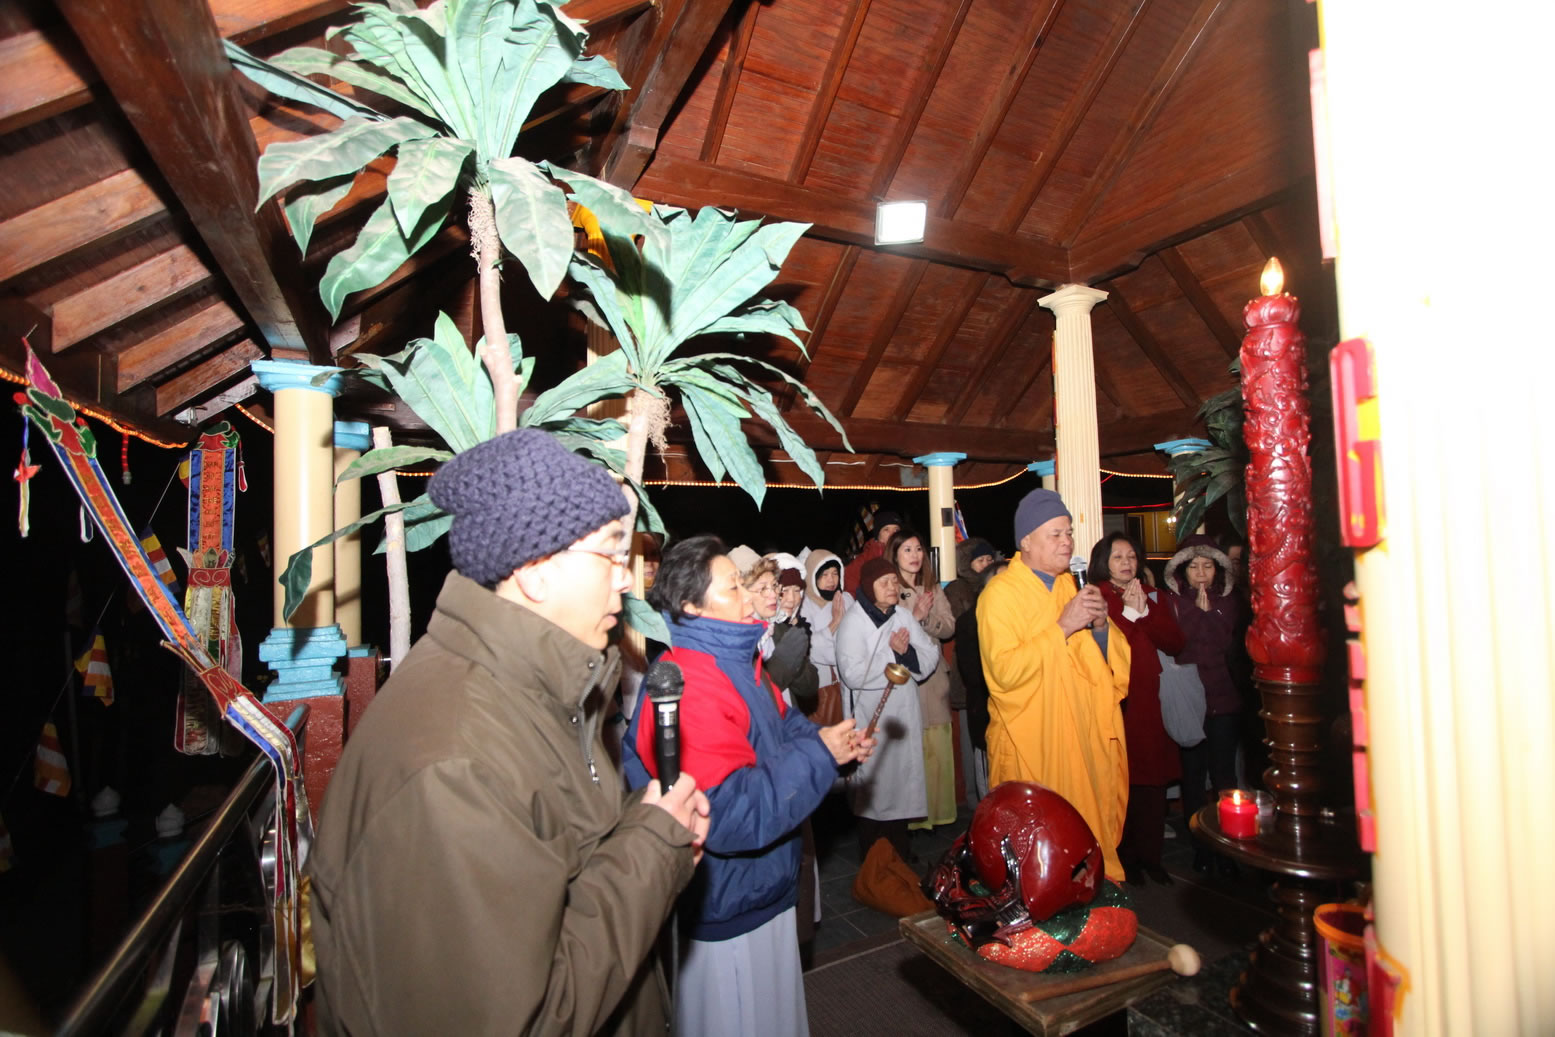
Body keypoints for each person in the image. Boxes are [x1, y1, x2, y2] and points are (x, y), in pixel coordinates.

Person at [307, 429, 711, 1036]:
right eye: (609, 555)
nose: (626, 580)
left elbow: (562, 859)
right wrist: (653, 852)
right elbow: (524, 1018)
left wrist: (649, 824)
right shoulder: (454, 765)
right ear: (535, 573)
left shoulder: (533, 687)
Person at [623, 536, 870, 1037]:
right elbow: (730, 814)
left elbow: (782, 723)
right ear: (692, 606)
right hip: (725, 904)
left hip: (760, 887)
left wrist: (825, 741)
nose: (750, 595)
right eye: (732, 586)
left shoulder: (738, 661)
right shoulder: (689, 682)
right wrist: (819, 757)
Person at [977, 488, 1131, 882]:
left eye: (1069, 533)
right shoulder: (999, 595)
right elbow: (1004, 672)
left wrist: (1100, 628)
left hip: (1081, 736)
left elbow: (1102, 665)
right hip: (1033, 741)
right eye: (1056, 534)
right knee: (1038, 856)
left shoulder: (1071, 587)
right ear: (1026, 541)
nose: (1067, 542)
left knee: (1084, 841)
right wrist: (1062, 626)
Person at [1089, 532, 1185, 886]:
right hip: (1118, 700)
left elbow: (1175, 642)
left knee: (1153, 781)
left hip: (1151, 700)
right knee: (1122, 779)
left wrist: (1145, 612)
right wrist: (1131, 614)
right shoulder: (1097, 596)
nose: (1126, 563)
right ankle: (1124, 857)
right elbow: (1104, 649)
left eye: (1131, 556)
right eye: (1118, 557)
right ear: (1104, 562)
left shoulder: (1149, 594)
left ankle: (1152, 856)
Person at [835, 556, 940, 860]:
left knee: (902, 787)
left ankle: (899, 854)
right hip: (871, 717)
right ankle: (874, 860)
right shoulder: (853, 622)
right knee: (875, 789)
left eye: (895, 581)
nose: (893, 587)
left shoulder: (903, 616)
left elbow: (929, 654)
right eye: (885, 582)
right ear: (870, 587)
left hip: (903, 714)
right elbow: (852, 674)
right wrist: (892, 655)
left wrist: (906, 655)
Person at [1163, 533, 1244, 876]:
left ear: (1217, 569)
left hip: (1223, 699)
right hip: (1190, 701)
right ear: (1182, 571)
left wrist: (1208, 613)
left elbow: (1223, 642)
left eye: (1207, 566)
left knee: (1224, 775)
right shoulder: (1173, 601)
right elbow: (1183, 643)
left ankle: (1231, 845)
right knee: (1193, 777)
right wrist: (1198, 612)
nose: (1200, 573)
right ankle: (1200, 846)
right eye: (1194, 566)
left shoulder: (1230, 600)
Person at [889, 529, 958, 831]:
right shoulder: (889, 589)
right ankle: (913, 819)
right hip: (907, 676)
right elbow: (892, 633)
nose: (915, 555)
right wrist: (915, 616)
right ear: (894, 555)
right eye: (907, 550)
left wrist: (927, 618)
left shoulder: (933, 588)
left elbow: (949, 626)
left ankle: (939, 815)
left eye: (918, 549)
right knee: (912, 747)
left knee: (937, 746)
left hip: (935, 678)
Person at [954, 557, 1009, 802]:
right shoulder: (971, 620)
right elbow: (973, 673)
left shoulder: (1024, 617)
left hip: (1020, 718)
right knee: (992, 788)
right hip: (987, 713)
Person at [799, 549, 852, 691]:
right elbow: (809, 646)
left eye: (835, 573)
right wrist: (835, 622)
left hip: (852, 674)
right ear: (813, 576)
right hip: (823, 682)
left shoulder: (846, 599)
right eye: (824, 574)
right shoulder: (803, 606)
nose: (831, 580)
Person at [842, 509, 902, 596]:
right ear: (878, 535)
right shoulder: (864, 559)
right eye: (886, 530)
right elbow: (850, 589)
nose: (893, 534)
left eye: (896, 530)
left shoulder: (907, 555)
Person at [945, 537, 998, 620]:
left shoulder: (996, 584)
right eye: (980, 560)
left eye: (989, 559)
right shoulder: (957, 588)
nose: (986, 564)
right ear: (968, 563)